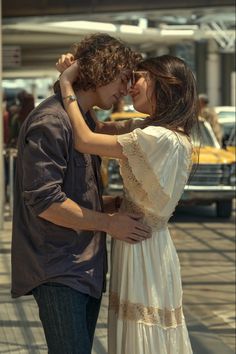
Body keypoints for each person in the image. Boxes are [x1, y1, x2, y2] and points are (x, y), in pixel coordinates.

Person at [11, 33, 151, 354]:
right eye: (121, 77)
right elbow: (46, 202)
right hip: (59, 267)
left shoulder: (82, 122)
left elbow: (72, 194)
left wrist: (112, 205)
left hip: (82, 267)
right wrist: (110, 224)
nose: (124, 89)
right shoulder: (51, 122)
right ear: (101, 71)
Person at [58, 54, 199, 354]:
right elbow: (93, 125)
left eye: (139, 77)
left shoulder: (159, 138)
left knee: (140, 336)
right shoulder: (158, 132)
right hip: (143, 243)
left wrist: (66, 82)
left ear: (164, 84)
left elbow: (84, 139)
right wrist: (81, 82)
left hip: (141, 248)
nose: (131, 85)